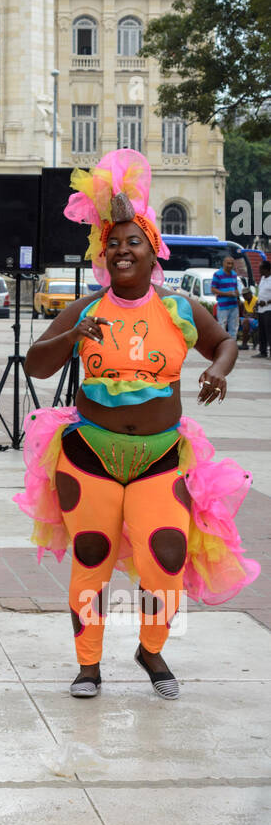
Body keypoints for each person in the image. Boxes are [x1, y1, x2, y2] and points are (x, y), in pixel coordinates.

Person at [17, 150, 258, 701]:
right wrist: (72, 338)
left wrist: (218, 371)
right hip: (89, 455)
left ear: (155, 252)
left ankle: (151, 649)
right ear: (104, 256)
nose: (122, 250)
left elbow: (223, 342)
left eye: (134, 242)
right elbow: (35, 363)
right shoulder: (84, 307)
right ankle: (88, 666)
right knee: (93, 555)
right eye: (114, 244)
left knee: (167, 555)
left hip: (161, 455)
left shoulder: (178, 309)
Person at [211, 254, 241, 339]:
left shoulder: (234, 274)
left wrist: (238, 295)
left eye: (232, 263)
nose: (230, 265)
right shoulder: (217, 274)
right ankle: (222, 346)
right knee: (222, 326)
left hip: (234, 305)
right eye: (228, 263)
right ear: (224, 263)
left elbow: (235, 288)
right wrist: (226, 293)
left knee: (234, 327)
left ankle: (232, 346)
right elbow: (213, 289)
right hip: (223, 306)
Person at [255, 260, 271, 359]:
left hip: (269, 309)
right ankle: (263, 351)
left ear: (267, 269)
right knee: (262, 331)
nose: (259, 270)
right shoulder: (262, 278)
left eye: (261, 268)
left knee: (269, 331)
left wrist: (266, 302)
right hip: (261, 309)